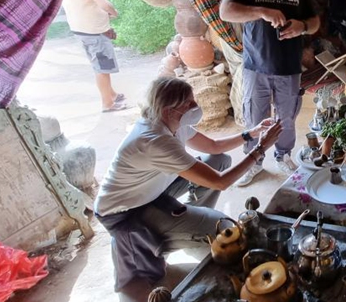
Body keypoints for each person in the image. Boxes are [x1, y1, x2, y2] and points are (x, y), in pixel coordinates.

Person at [95, 77, 282, 289]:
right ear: (168, 110)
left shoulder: (173, 123)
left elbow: (213, 146)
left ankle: (190, 217)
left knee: (219, 160)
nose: (195, 106)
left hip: (151, 190)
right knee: (224, 228)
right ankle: (186, 229)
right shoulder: (156, 141)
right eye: (189, 103)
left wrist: (252, 133)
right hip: (126, 210)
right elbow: (220, 182)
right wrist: (260, 149)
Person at [220, 0, 321, 185]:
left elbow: (315, 22)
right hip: (256, 65)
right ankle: (253, 161)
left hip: (289, 66)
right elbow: (225, 12)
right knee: (255, 118)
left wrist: (302, 26)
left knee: (287, 118)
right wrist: (261, 11)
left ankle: (283, 155)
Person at [61, 0, 127, 112]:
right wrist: (114, 12)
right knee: (102, 68)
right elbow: (102, 2)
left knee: (100, 65)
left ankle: (111, 94)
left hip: (81, 29)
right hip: (93, 31)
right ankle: (107, 103)